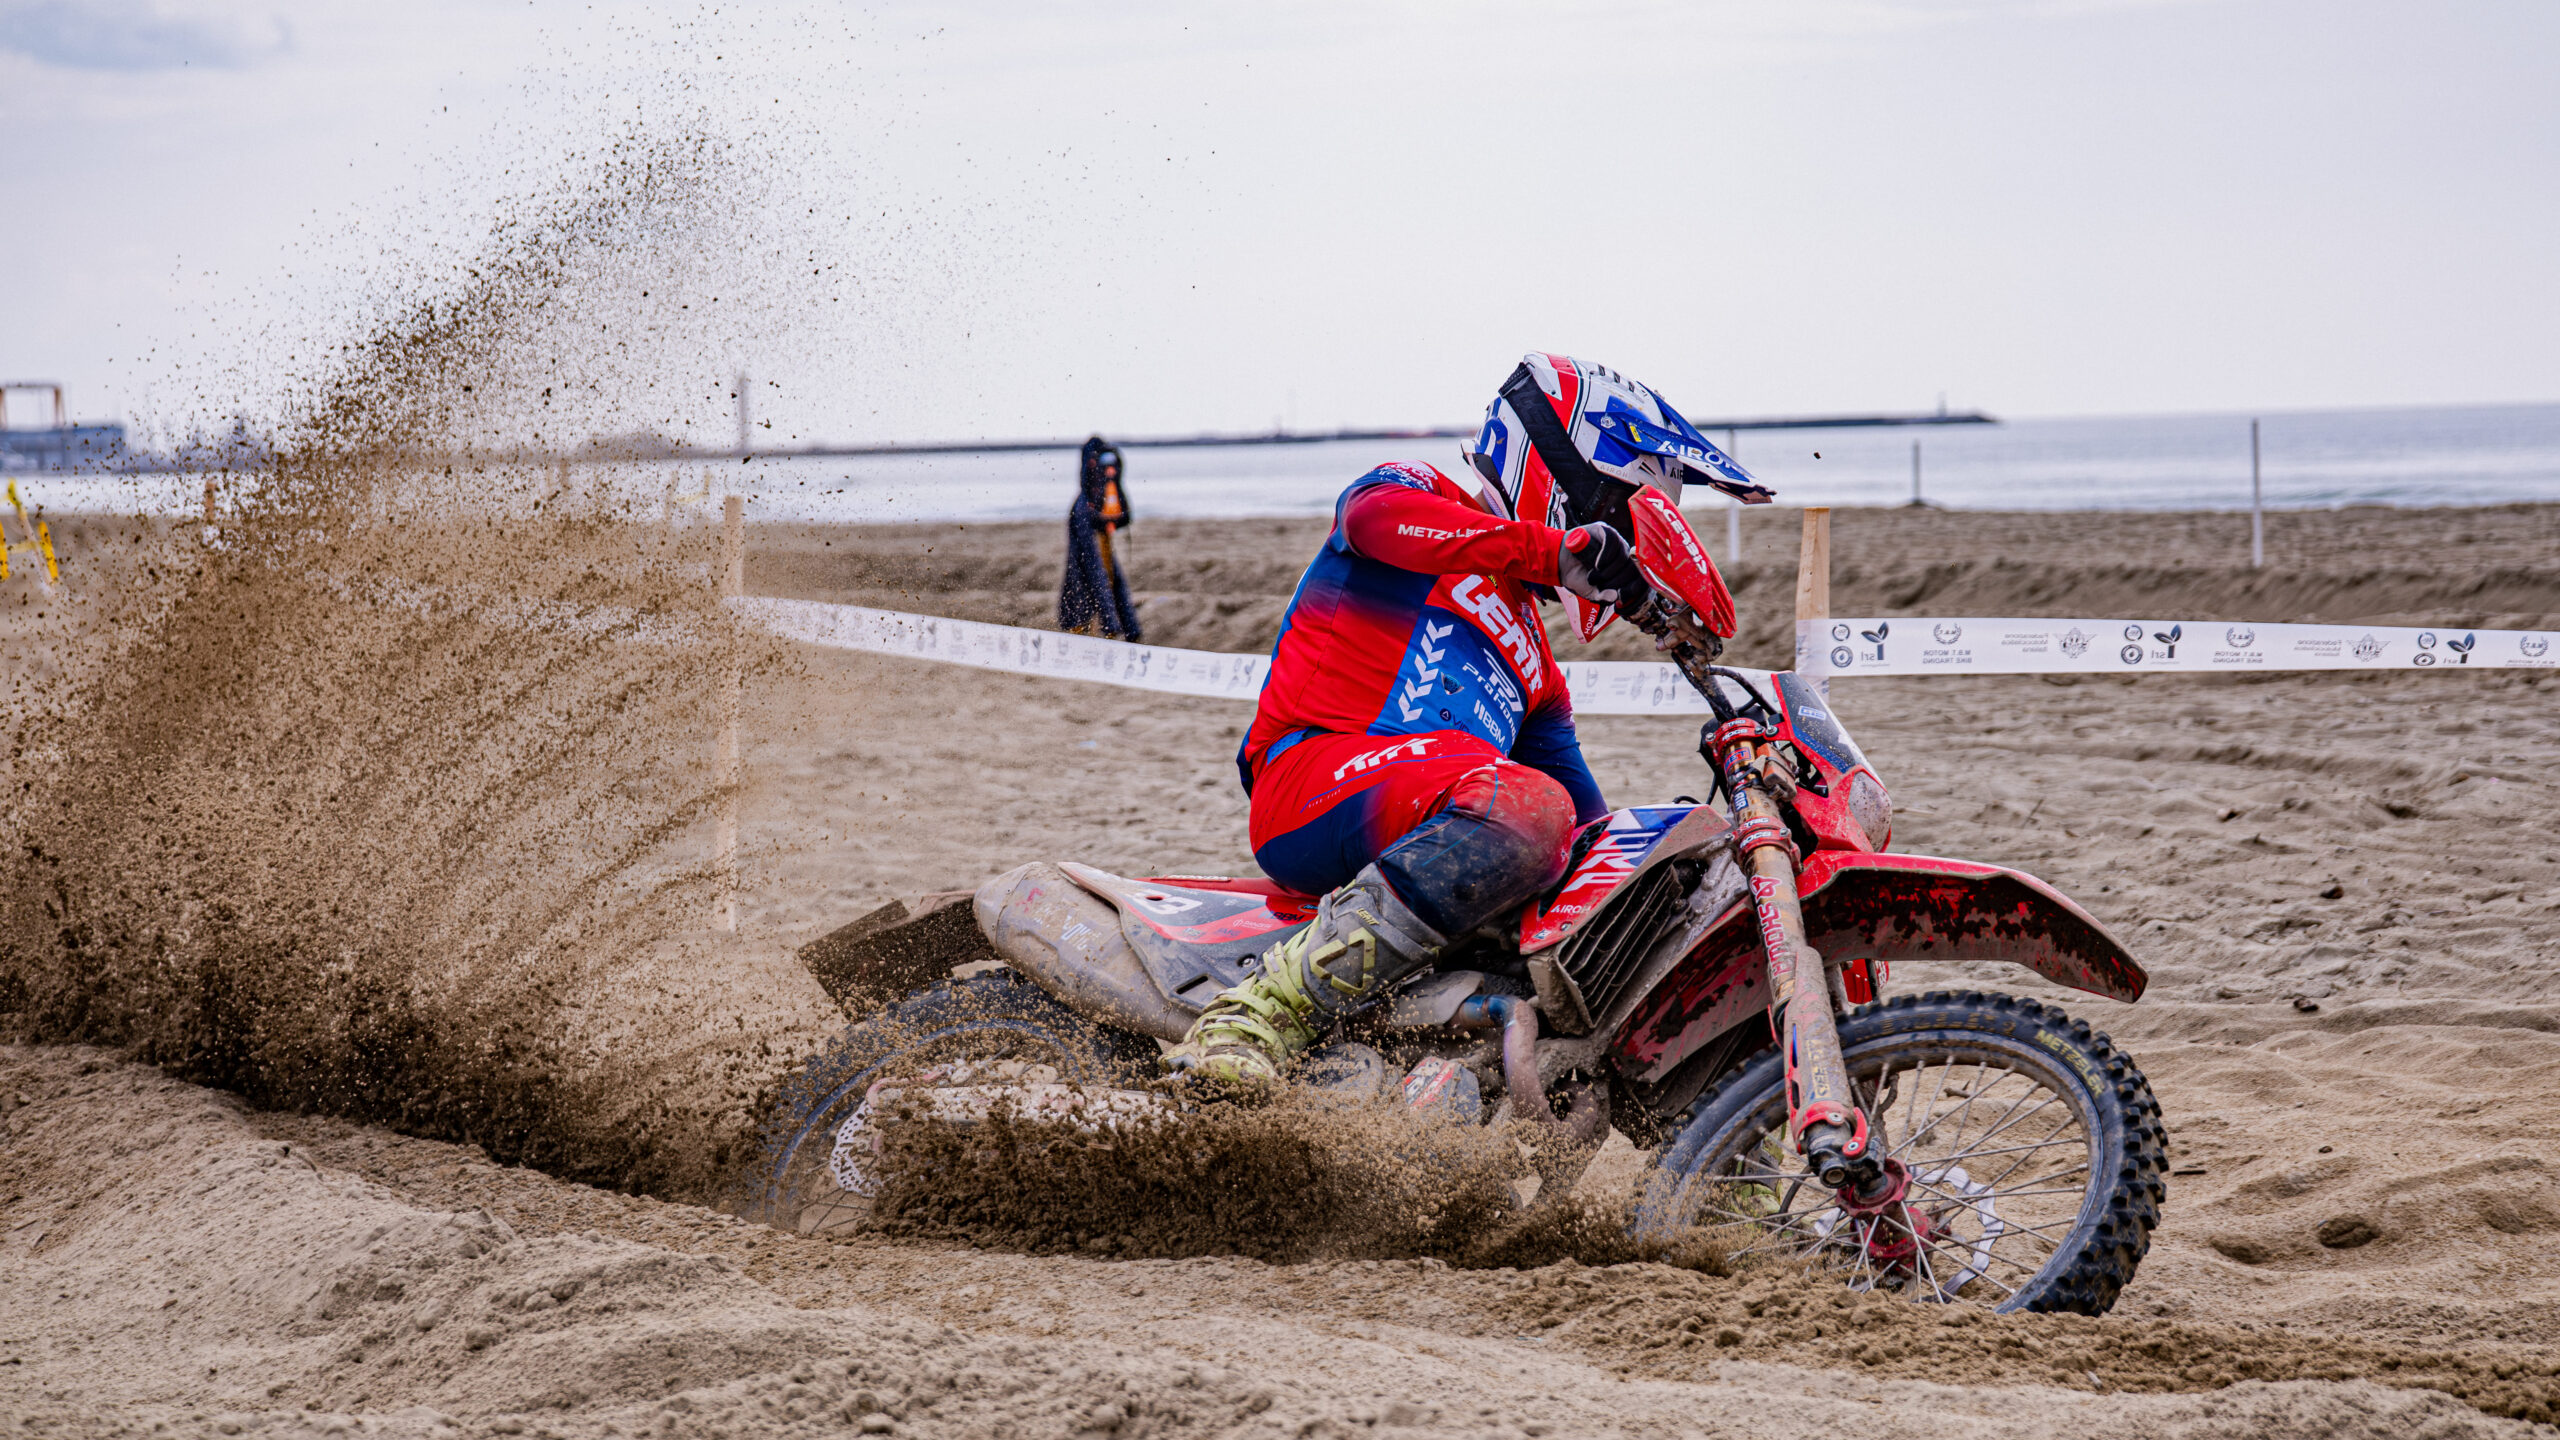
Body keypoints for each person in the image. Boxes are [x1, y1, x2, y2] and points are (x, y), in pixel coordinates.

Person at [1164, 354, 1774, 1085]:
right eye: (1616, 508)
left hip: (1438, 816)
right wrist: (1550, 551)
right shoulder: (1416, 492)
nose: (1620, 537)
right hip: (1311, 780)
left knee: (1617, 868)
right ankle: (1257, 1014)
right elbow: (1370, 519)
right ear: (1562, 468)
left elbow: (1587, 832)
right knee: (1526, 803)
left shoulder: (1538, 664)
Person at [1059, 436, 1141, 641]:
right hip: (1093, 530)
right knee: (1093, 575)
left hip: (1096, 531)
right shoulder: (1088, 501)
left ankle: (1112, 628)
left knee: (1094, 575)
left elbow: (1124, 516)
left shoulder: (1086, 501)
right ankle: (1117, 628)